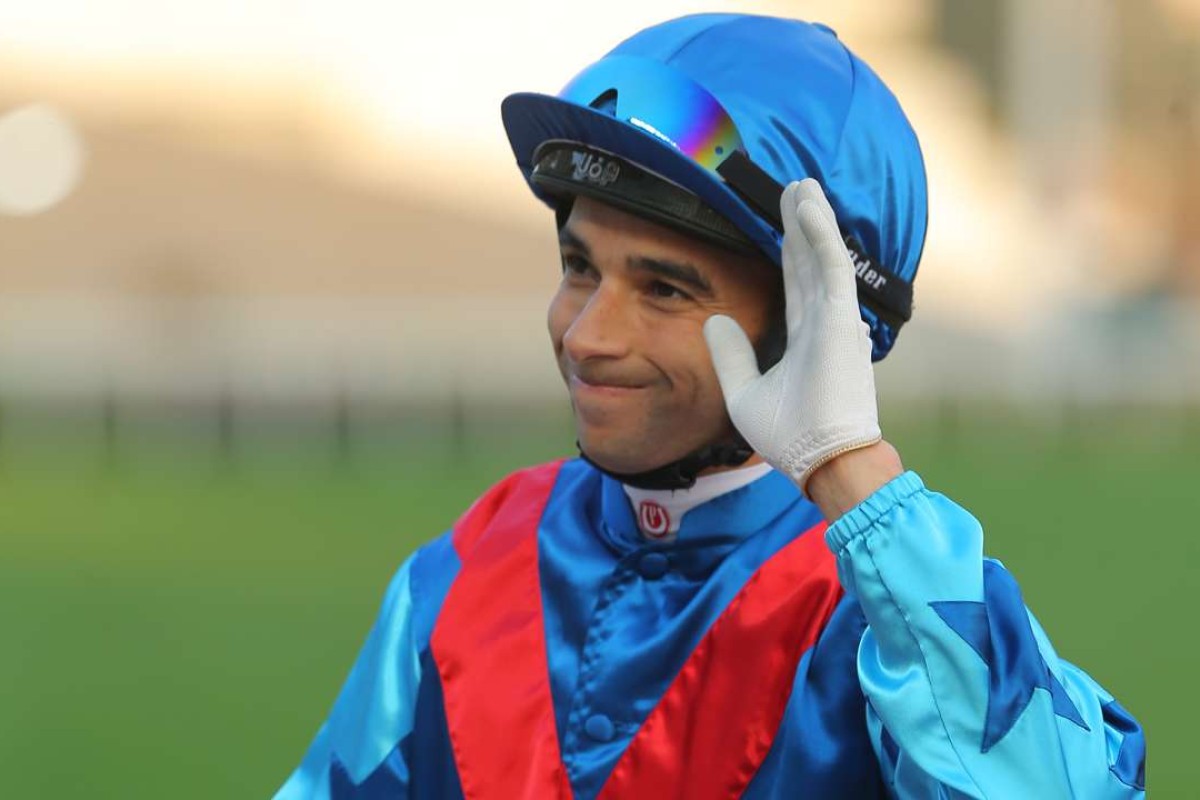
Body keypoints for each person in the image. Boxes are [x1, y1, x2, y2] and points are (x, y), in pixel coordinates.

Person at [275, 13, 1145, 799]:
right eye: (581, 266)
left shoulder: (883, 614)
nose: (586, 336)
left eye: (662, 289)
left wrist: (849, 471)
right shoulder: (469, 563)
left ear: (810, 324)